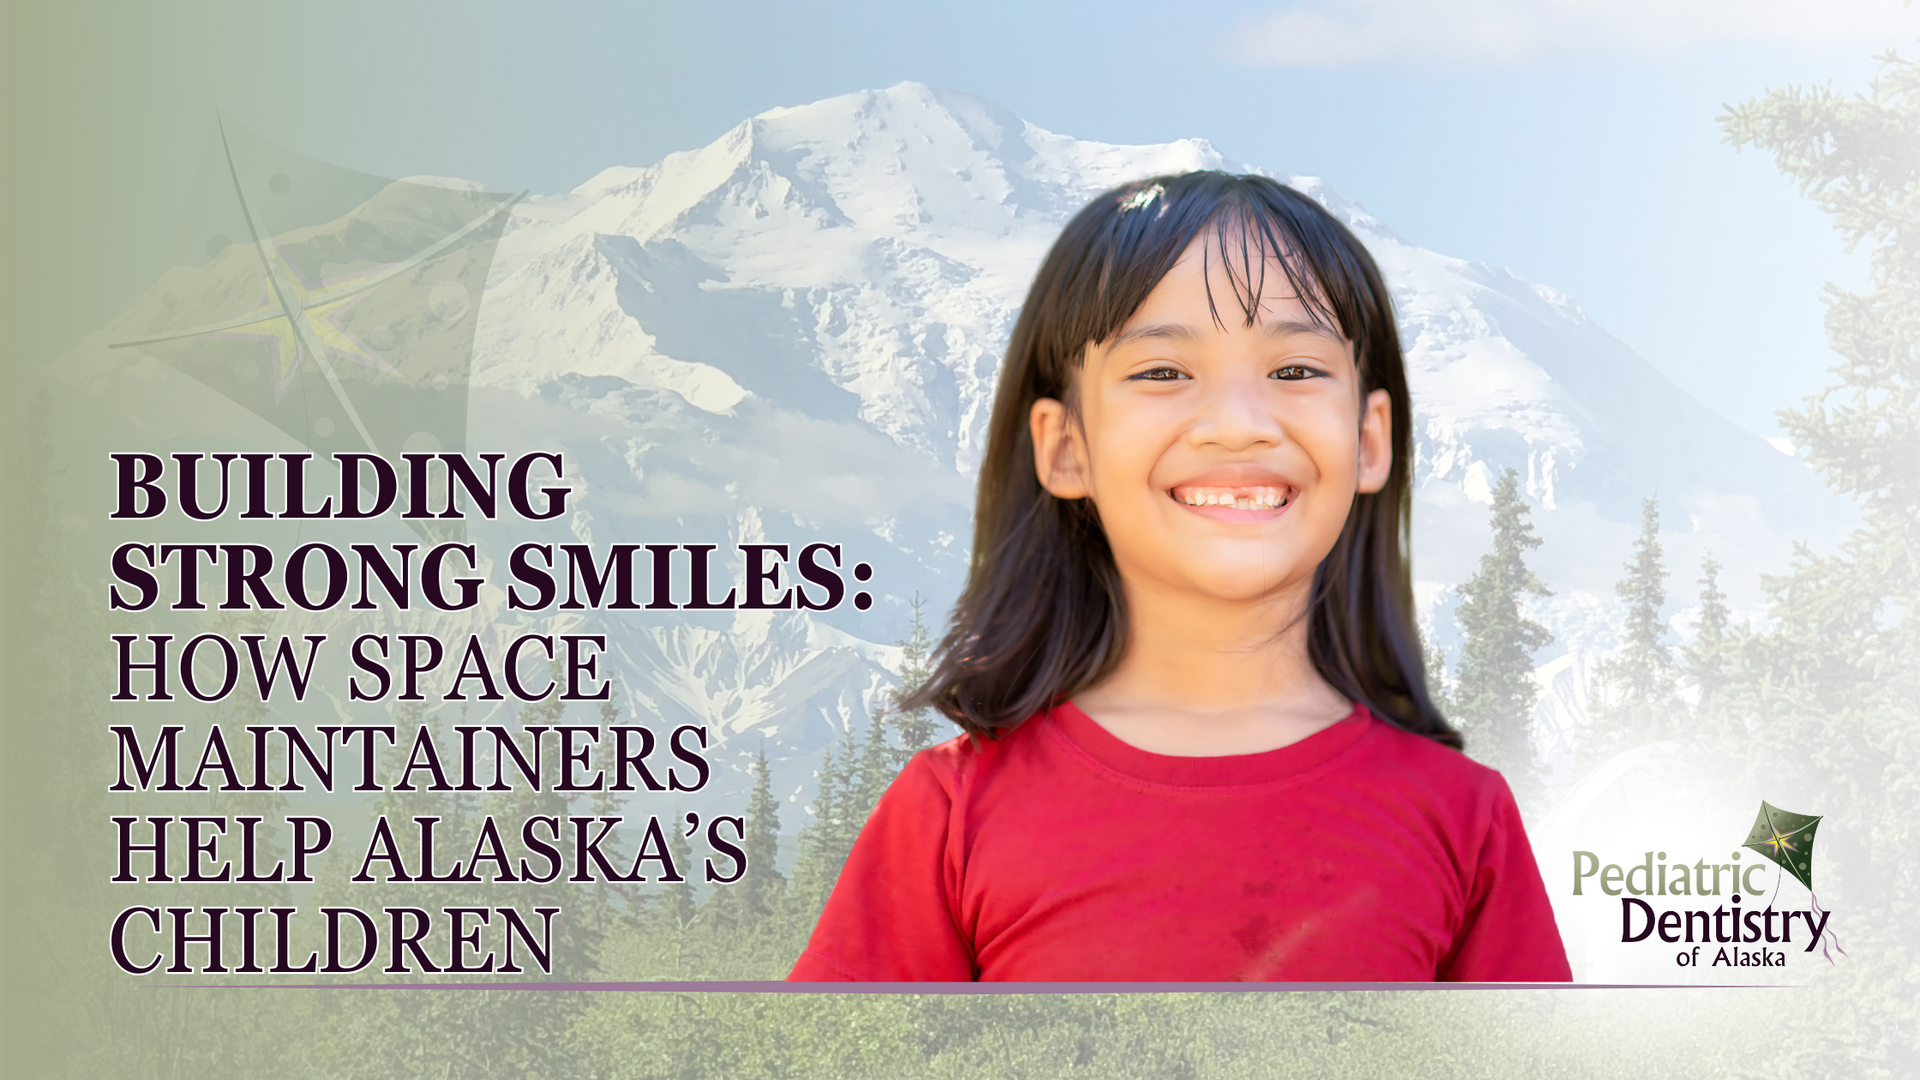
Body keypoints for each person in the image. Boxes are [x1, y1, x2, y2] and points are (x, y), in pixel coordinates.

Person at [788, 171, 1571, 982]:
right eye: (1162, 372)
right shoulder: (949, 815)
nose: (1238, 424)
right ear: (1065, 448)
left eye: (1296, 371)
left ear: (1372, 438)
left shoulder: (1462, 818)